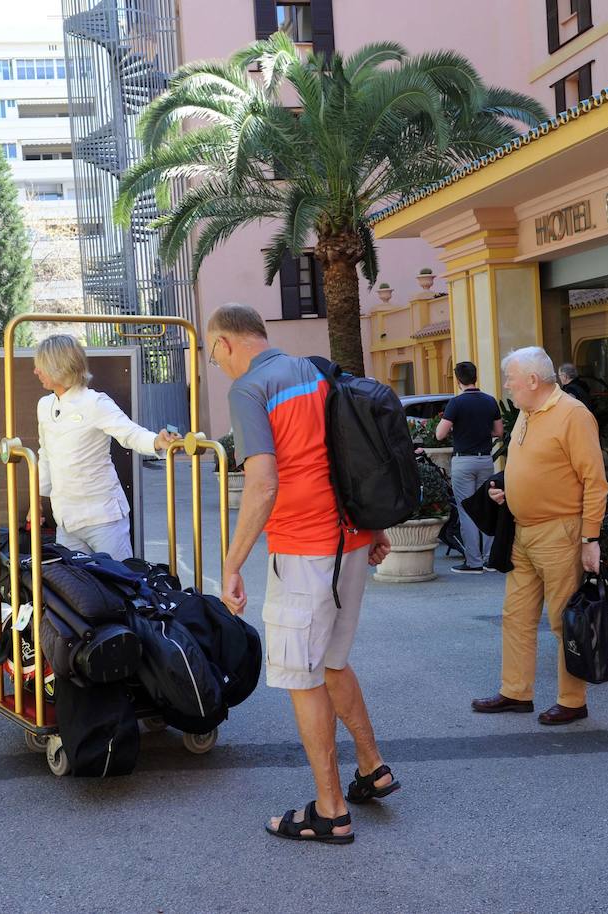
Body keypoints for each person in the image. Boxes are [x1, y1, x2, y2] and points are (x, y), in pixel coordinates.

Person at [207, 303, 395, 845]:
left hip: (304, 550)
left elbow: (263, 483)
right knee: (333, 661)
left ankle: (331, 810)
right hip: (350, 540)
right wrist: (373, 525)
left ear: (224, 343)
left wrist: (233, 561)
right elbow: (348, 454)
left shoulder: (248, 390)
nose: (216, 363)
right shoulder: (314, 370)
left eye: (212, 352)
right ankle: (373, 767)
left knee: (303, 677)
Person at [472, 347, 607, 726]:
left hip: (560, 531)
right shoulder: (525, 414)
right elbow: (529, 466)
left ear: (533, 380)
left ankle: (572, 699)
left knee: (566, 620)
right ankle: (515, 692)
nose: (507, 387)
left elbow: (595, 482)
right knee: (515, 616)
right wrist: (504, 488)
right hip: (522, 531)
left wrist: (590, 539)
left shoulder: (573, 414)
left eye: (511, 380)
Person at [32, 335, 179, 560]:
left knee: (120, 588)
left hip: (103, 519)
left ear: (58, 367)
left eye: (40, 365)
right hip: (66, 522)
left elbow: (131, 434)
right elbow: (46, 455)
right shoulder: (45, 405)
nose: (36, 371)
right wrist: (36, 503)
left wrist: (157, 442)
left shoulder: (95, 403)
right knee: (74, 593)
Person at [436, 361, 503, 574]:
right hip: (485, 459)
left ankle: (474, 562)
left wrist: (458, 428)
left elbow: (439, 434)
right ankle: (491, 559)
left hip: (463, 461)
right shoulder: (490, 401)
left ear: (457, 380)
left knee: (467, 510)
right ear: (476, 377)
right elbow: (499, 432)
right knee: (487, 506)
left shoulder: (456, 404)